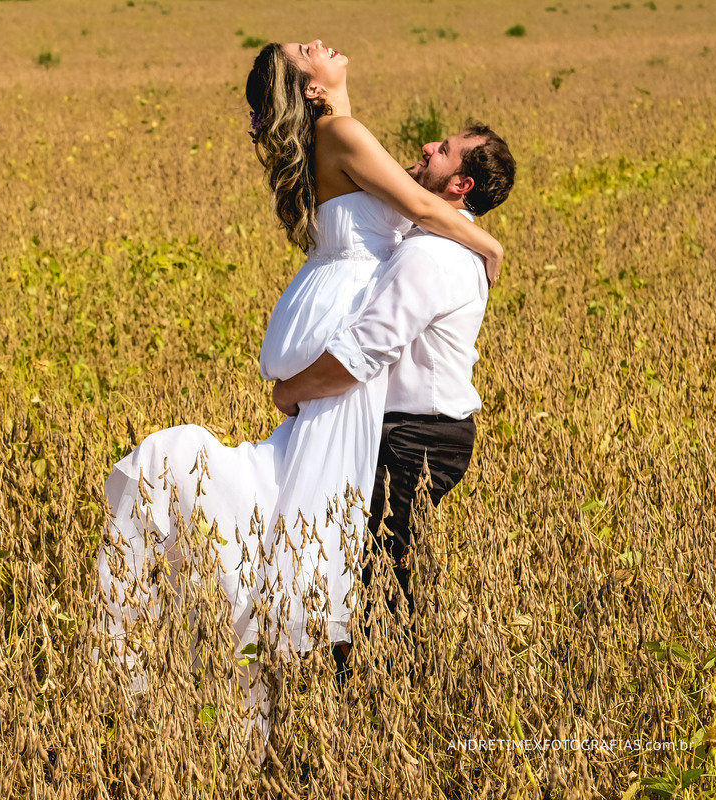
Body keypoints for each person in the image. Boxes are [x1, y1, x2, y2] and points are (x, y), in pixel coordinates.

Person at [94, 40, 504, 676]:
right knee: (348, 540)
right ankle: (365, 672)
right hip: (359, 364)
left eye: (442, 148)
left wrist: (336, 99)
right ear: (310, 91)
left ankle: (352, 664)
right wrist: (492, 246)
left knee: (348, 536)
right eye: (305, 52)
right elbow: (420, 205)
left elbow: (391, 196)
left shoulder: (336, 133)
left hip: (368, 369)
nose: (320, 44)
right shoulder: (345, 137)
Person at [272, 123, 516, 664]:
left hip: (414, 436)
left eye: (444, 151)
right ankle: (375, 689)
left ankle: (378, 696)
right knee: (377, 564)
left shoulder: (429, 256)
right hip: (420, 431)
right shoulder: (434, 241)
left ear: (461, 186)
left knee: (372, 571)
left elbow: (363, 354)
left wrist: (291, 391)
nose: (429, 147)